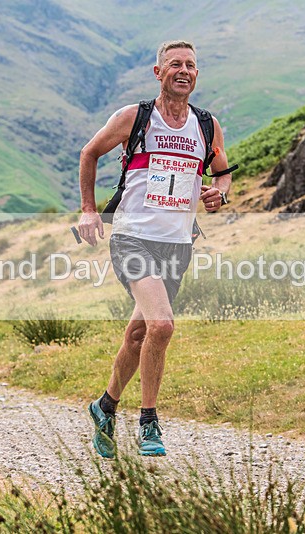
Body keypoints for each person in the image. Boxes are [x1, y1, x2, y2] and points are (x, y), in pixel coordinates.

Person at [76, 40, 233, 457]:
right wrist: (89, 211)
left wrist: (218, 193)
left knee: (140, 333)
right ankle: (149, 423)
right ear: (158, 72)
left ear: (197, 75)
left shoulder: (207, 126)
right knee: (162, 325)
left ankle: (105, 406)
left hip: (178, 243)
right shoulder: (134, 118)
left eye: (191, 65)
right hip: (131, 237)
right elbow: (89, 153)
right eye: (175, 64)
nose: (183, 70)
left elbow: (222, 173)